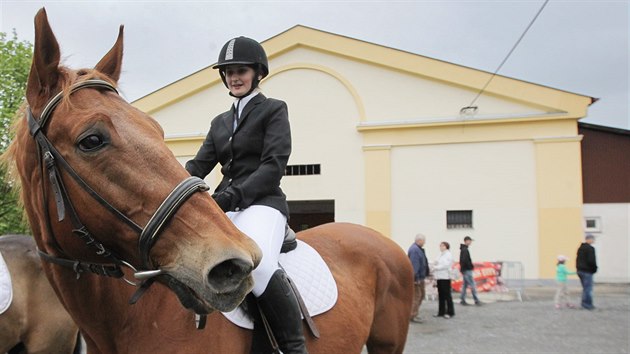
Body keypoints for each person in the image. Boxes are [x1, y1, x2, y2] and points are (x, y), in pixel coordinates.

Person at [185, 36, 306, 353]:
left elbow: (273, 166)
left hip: (264, 203)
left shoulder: (273, 110)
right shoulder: (220, 122)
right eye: (229, 71)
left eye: (241, 70)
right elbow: (199, 165)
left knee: (259, 264)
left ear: (257, 72)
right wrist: (170, 188)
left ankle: (293, 346)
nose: (234, 77)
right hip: (225, 206)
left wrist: (229, 197)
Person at [408, 233, 429, 323]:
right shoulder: (415, 250)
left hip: (419, 277)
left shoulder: (417, 249)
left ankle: (414, 313)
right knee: (417, 296)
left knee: (420, 295)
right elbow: (414, 265)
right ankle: (412, 315)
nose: (424, 243)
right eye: (423, 241)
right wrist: (415, 278)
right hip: (417, 278)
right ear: (419, 241)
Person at [433, 241, 455, 319]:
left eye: (442, 246)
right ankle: (441, 311)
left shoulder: (448, 254)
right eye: (440, 246)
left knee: (447, 295)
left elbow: (446, 265)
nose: (441, 247)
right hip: (439, 277)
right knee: (441, 295)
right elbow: (436, 261)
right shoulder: (440, 254)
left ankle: (450, 312)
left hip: (445, 277)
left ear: (446, 246)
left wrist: (436, 267)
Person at [576, 234, 598, 310]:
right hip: (587, 271)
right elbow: (591, 261)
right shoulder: (590, 249)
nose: (593, 241)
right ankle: (588, 305)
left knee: (585, 288)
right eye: (593, 239)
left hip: (580, 271)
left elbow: (577, 260)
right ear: (589, 239)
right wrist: (594, 269)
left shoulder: (580, 248)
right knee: (588, 288)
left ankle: (584, 303)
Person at [459, 236, 481, 306]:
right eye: (470, 241)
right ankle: (476, 300)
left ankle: (462, 299)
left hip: (465, 270)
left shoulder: (463, 249)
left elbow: (462, 261)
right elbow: (464, 260)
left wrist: (462, 269)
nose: (471, 242)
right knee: (472, 285)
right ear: (466, 241)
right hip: (467, 270)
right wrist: (469, 267)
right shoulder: (465, 250)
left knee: (465, 285)